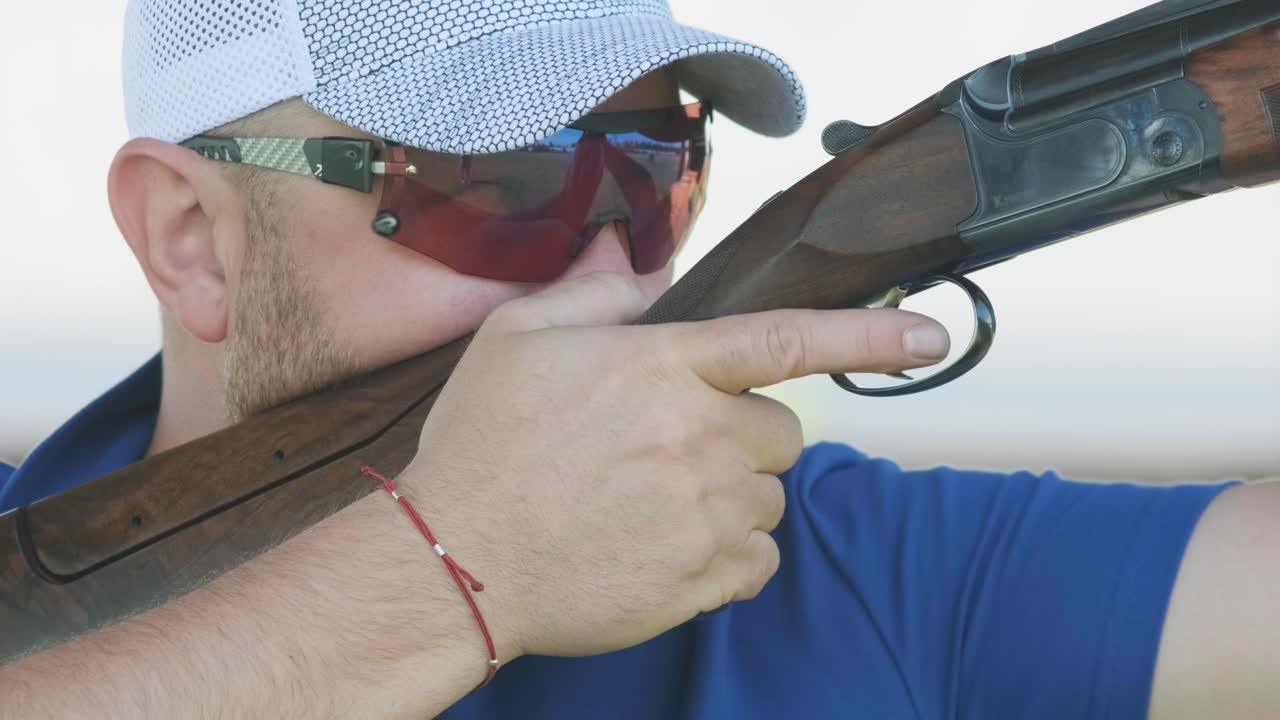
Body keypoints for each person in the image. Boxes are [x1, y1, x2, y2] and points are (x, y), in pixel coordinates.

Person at [1, 0, 1276, 717]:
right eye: (506, 183)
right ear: (192, 243)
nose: (618, 275)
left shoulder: (836, 570)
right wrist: (454, 572)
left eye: (653, 169)